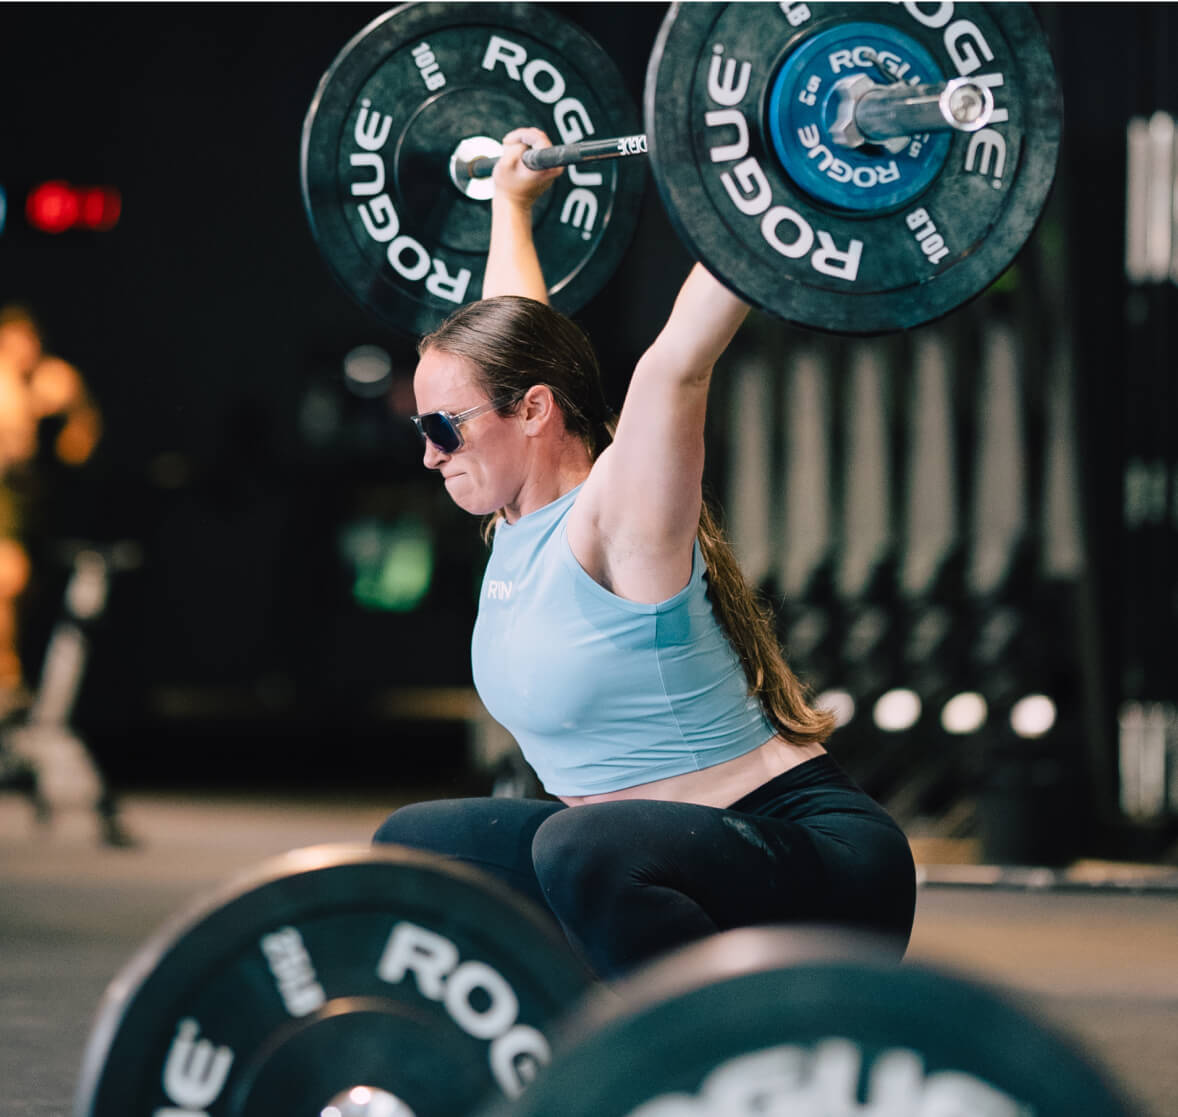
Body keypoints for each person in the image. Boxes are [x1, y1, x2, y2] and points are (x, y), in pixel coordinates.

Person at [374, 128, 916, 981]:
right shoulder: (516, 509)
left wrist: (770, 187)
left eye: (444, 430)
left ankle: (707, 1072)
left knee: (581, 847)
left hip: (809, 859)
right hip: (650, 856)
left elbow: (677, 365)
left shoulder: (618, 518)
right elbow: (511, 337)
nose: (431, 454)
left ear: (535, 413)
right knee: (415, 846)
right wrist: (509, 207)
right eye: (422, 429)